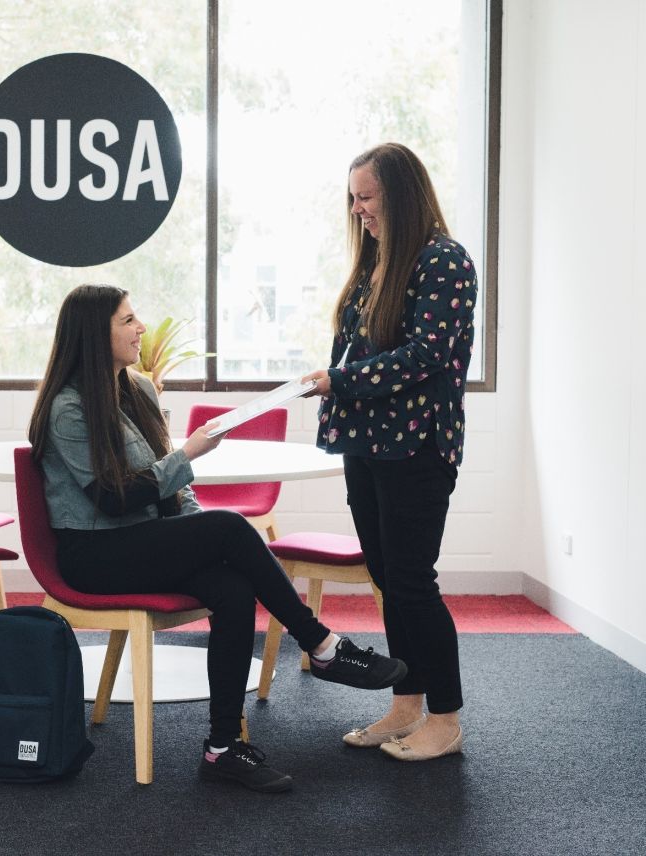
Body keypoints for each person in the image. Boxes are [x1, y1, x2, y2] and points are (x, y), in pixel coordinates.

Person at [28, 283, 407, 794]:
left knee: (232, 588)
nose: (141, 328)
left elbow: (169, 490)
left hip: (143, 540)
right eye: (128, 320)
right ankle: (320, 645)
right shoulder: (69, 409)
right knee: (229, 526)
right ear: (96, 335)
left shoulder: (137, 390)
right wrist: (190, 454)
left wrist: (189, 516)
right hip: (92, 553)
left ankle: (223, 748)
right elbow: (112, 498)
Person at [302, 142, 477, 761]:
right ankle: (407, 705)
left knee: (411, 582)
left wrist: (339, 381)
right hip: (368, 445)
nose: (357, 209)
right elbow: (356, 349)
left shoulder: (444, 262)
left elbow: (423, 355)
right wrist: (330, 380)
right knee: (387, 578)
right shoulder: (377, 262)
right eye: (352, 197)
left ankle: (446, 718)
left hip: (416, 450)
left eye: (367, 196)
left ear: (400, 193)